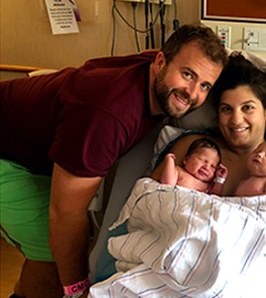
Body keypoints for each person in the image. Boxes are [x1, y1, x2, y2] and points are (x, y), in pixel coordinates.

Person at [0, 24, 227, 298]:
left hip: (28, 145)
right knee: (52, 255)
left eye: (205, 85)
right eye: (187, 74)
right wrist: (78, 289)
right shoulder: (108, 118)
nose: (192, 93)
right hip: (6, 152)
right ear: (160, 62)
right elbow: (66, 215)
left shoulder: (151, 69)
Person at [150, 52, 266, 205]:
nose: (236, 120)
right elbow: (149, 198)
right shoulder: (196, 147)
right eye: (226, 109)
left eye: (247, 107)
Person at [160, 137, 228, 195]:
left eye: (213, 167)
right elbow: (167, 184)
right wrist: (170, 161)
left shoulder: (209, 185)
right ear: (186, 160)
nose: (206, 167)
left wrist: (220, 180)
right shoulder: (179, 171)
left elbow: (215, 198)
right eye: (202, 160)